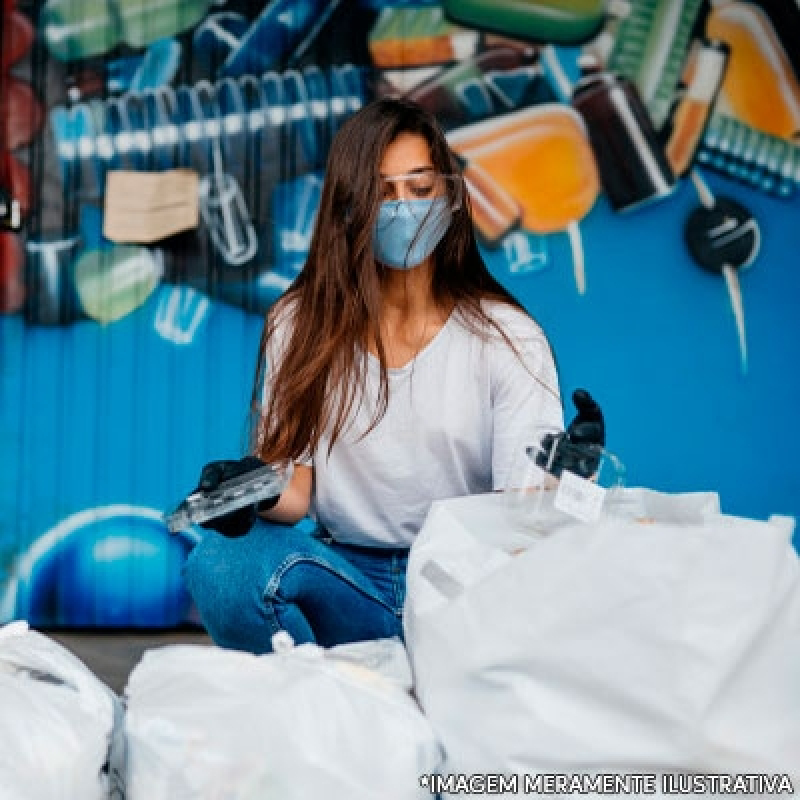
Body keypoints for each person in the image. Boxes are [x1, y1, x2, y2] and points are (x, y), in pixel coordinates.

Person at [182, 97, 603, 654]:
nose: (402, 207)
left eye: (419, 187)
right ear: (349, 205)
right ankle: (326, 708)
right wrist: (249, 490)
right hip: (347, 583)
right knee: (218, 565)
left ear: (449, 196)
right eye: (382, 191)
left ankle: (423, 692)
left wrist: (567, 481)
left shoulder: (508, 337)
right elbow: (296, 491)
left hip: (464, 588)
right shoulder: (300, 322)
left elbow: (518, 518)